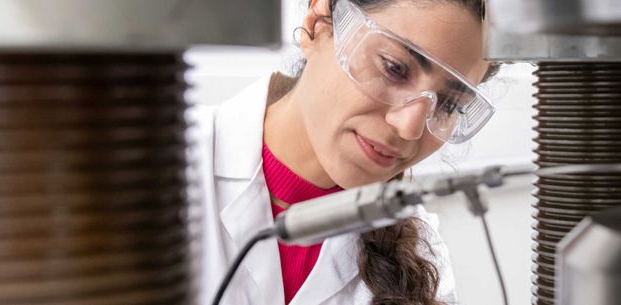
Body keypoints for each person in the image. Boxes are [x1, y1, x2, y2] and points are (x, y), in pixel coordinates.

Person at [190, 0, 498, 304]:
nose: (409, 127)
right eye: (394, 68)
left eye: (449, 104)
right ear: (318, 25)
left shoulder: (420, 253)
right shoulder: (169, 163)